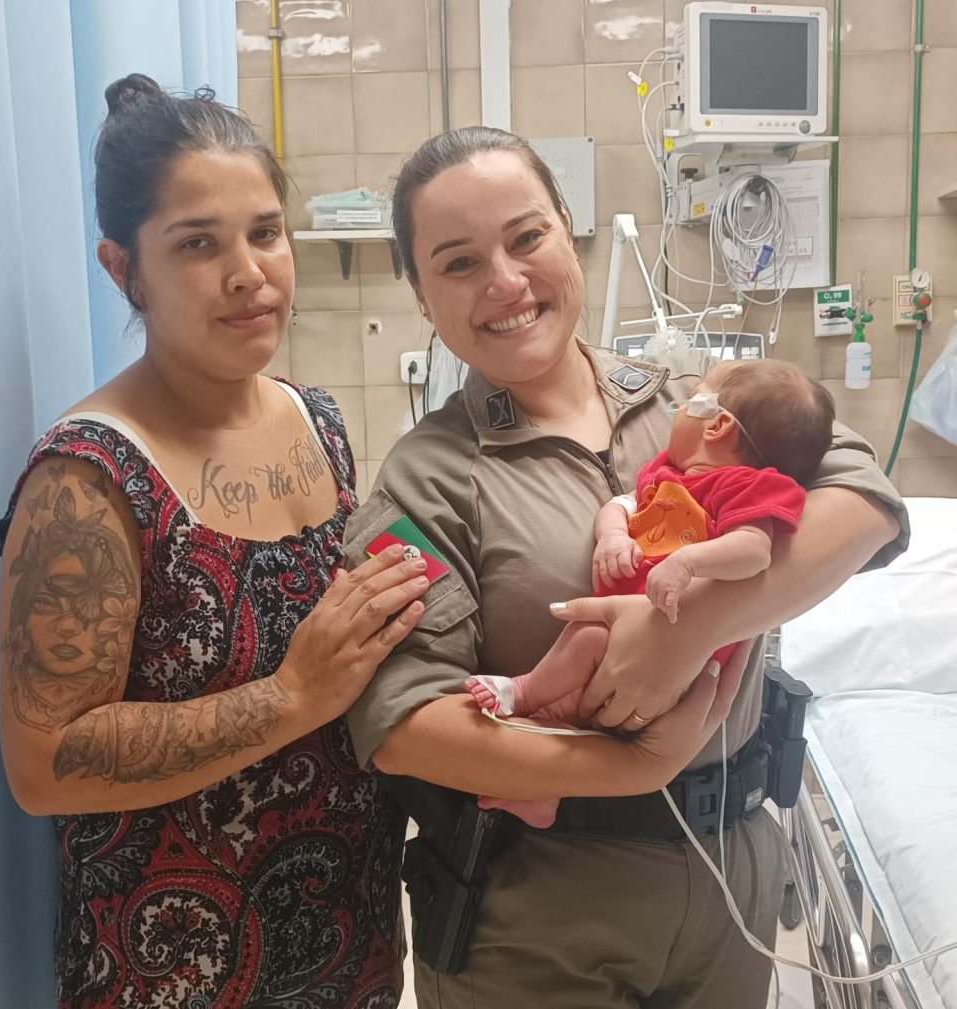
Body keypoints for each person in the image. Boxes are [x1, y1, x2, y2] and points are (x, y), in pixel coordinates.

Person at [341, 126, 907, 1009]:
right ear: (421, 295)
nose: (505, 281)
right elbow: (402, 721)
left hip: (730, 880)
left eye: (527, 237)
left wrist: (691, 629)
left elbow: (865, 499)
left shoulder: (698, 402)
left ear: (569, 231)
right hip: (541, 917)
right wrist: (629, 767)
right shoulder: (427, 478)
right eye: (459, 262)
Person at [0, 74, 429, 1009]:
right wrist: (291, 696)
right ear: (124, 269)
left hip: (348, 948)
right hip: (174, 974)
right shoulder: (89, 477)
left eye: (265, 232)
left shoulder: (317, 421)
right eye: (198, 243)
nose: (248, 273)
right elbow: (43, 761)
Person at [464, 358, 833, 828]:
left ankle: (523, 692)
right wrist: (613, 537)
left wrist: (687, 563)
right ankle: (545, 795)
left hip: (682, 651)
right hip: (626, 630)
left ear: (716, 425)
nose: (675, 410)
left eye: (690, 401)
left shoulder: (747, 486)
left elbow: (754, 551)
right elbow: (618, 506)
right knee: (575, 703)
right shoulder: (665, 474)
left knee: (587, 641)